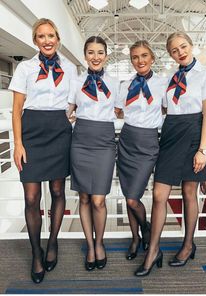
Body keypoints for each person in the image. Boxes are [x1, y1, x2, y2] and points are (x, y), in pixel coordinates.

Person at [135, 32, 206, 276]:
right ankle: (153, 250)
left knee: (190, 192)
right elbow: (159, 106)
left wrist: (202, 149)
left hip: (194, 133)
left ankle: (188, 244)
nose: (180, 52)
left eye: (183, 47)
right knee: (159, 194)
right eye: (174, 50)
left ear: (191, 46)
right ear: (170, 54)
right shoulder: (169, 77)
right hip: (170, 133)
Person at [9, 18, 77, 283]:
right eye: (41, 36)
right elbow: (16, 110)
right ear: (35, 40)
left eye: (51, 35)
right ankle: (36, 253)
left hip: (59, 131)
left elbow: (74, 100)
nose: (47, 40)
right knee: (31, 197)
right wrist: (18, 144)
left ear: (58, 38)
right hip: (32, 132)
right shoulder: (25, 68)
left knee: (58, 191)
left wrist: (68, 116)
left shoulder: (70, 68)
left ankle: (53, 241)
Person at [68, 36, 119, 271]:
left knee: (99, 199)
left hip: (105, 141)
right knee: (85, 198)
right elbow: (69, 110)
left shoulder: (115, 82)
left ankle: (100, 243)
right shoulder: (76, 81)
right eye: (91, 52)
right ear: (85, 55)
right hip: (81, 140)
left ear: (106, 55)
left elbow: (123, 111)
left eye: (100, 52)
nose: (96, 57)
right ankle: (90, 246)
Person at [116, 40, 167, 261]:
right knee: (130, 194)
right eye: (135, 57)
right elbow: (118, 111)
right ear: (131, 60)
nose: (140, 60)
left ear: (152, 58)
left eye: (144, 56)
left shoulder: (163, 83)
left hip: (148, 143)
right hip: (126, 140)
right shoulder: (125, 84)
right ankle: (136, 238)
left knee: (131, 199)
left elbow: (167, 109)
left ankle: (145, 228)